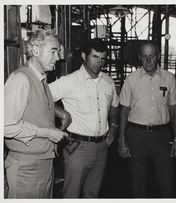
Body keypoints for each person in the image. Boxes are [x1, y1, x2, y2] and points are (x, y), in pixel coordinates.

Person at [49, 39, 119, 198]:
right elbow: (42, 95)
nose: (99, 62)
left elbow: (115, 105)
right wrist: (62, 113)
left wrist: (114, 126)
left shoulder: (108, 81)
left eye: (103, 58)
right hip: (77, 148)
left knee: (92, 194)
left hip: (102, 147)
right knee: (71, 194)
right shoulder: (69, 81)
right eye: (95, 57)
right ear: (83, 56)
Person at [4, 29, 69, 198]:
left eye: (58, 52)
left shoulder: (41, 79)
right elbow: (6, 125)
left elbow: (37, 105)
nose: (58, 58)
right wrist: (46, 132)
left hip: (43, 162)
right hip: (26, 167)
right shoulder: (20, 79)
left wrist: (60, 114)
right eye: (53, 52)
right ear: (35, 50)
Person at [118, 41, 176, 197]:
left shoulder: (169, 78)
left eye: (151, 56)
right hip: (136, 136)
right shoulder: (131, 79)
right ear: (140, 57)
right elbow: (124, 110)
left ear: (158, 56)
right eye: (144, 56)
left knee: (166, 179)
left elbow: (174, 110)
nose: (148, 61)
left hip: (161, 136)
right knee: (137, 181)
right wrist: (122, 140)